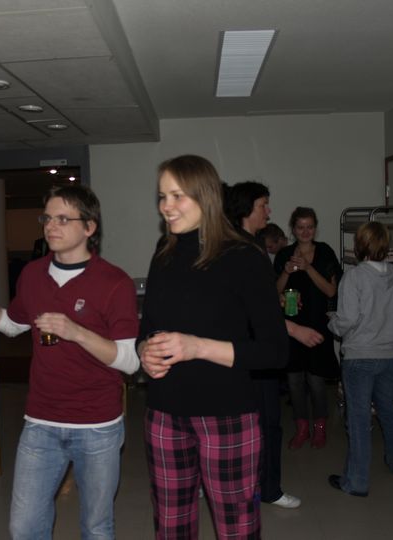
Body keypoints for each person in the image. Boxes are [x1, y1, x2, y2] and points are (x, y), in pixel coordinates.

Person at [0, 184, 140, 540]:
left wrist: (76, 332)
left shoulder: (115, 282)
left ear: (89, 227)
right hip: (41, 422)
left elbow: (130, 361)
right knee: (24, 527)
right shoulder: (32, 274)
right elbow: (11, 325)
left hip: (97, 425)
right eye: (47, 218)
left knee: (96, 527)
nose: (51, 226)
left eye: (63, 219)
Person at [139, 156, 290, 539]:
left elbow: (275, 351)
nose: (166, 206)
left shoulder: (243, 256)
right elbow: (148, 328)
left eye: (177, 195)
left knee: (237, 528)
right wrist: (144, 352)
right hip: (164, 413)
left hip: (227, 415)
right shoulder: (164, 251)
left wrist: (198, 347)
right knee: (170, 526)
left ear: (205, 195)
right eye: (162, 196)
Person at [224, 181, 314, 510]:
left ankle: (246, 486)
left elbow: (253, 298)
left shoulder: (244, 245)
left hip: (247, 350)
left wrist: (276, 301)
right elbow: (244, 307)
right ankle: (268, 489)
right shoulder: (244, 249)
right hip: (255, 351)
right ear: (247, 209)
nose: (268, 210)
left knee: (248, 425)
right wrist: (293, 328)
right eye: (263, 204)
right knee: (266, 425)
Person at [327, 221, 393, 496]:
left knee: (359, 419)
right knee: (387, 410)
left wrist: (332, 323)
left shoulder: (354, 277)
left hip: (360, 357)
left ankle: (357, 482)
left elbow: (348, 320)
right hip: (390, 356)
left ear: (359, 245)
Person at [275, 207, 340, 450]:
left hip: (317, 325)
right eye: (300, 227)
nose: (305, 232)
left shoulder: (324, 252)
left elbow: (331, 291)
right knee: (294, 381)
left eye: (310, 227)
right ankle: (301, 427)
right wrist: (286, 272)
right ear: (293, 229)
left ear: (315, 228)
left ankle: (320, 427)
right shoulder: (284, 255)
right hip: (291, 327)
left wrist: (307, 268)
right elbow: (274, 292)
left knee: (316, 381)